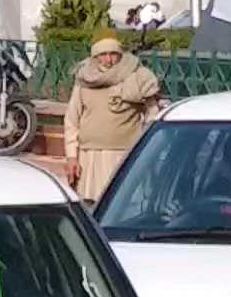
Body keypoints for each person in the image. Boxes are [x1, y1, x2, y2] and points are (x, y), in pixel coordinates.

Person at [63, 37, 163, 201]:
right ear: (95, 57)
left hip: (124, 154)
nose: (108, 59)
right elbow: (72, 120)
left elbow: (152, 112)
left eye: (113, 54)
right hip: (90, 156)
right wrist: (72, 157)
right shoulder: (85, 79)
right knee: (90, 203)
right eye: (103, 54)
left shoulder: (137, 76)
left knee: (122, 201)